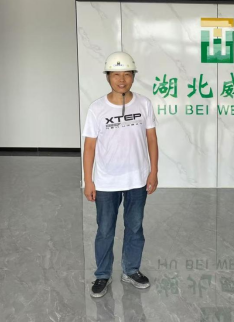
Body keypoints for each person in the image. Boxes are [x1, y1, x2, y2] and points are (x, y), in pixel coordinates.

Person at [83, 51, 159, 298]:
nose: (122, 79)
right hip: (106, 181)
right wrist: (88, 180)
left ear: (133, 76)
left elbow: (151, 138)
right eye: (116, 74)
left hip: (137, 179)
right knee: (105, 229)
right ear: (108, 77)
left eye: (127, 74)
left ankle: (131, 270)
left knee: (135, 227)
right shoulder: (97, 108)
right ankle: (102, 275)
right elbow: (90, 146)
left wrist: (153, 172)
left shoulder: (144, 104)